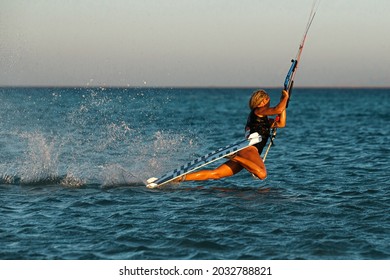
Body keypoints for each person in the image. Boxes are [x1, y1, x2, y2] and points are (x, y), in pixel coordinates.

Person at [177, 89, 289, 183]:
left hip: (245, 153)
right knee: (262, 174)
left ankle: (179, 178)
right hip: (250, 150)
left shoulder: (262, 119)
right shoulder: (258, 111)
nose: (268, 102)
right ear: (260, 102)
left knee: (216, 174)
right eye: (266, 100)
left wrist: (283, 100)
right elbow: (277, 109)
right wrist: (285, 98)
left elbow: (281, 123)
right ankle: (233, 156)